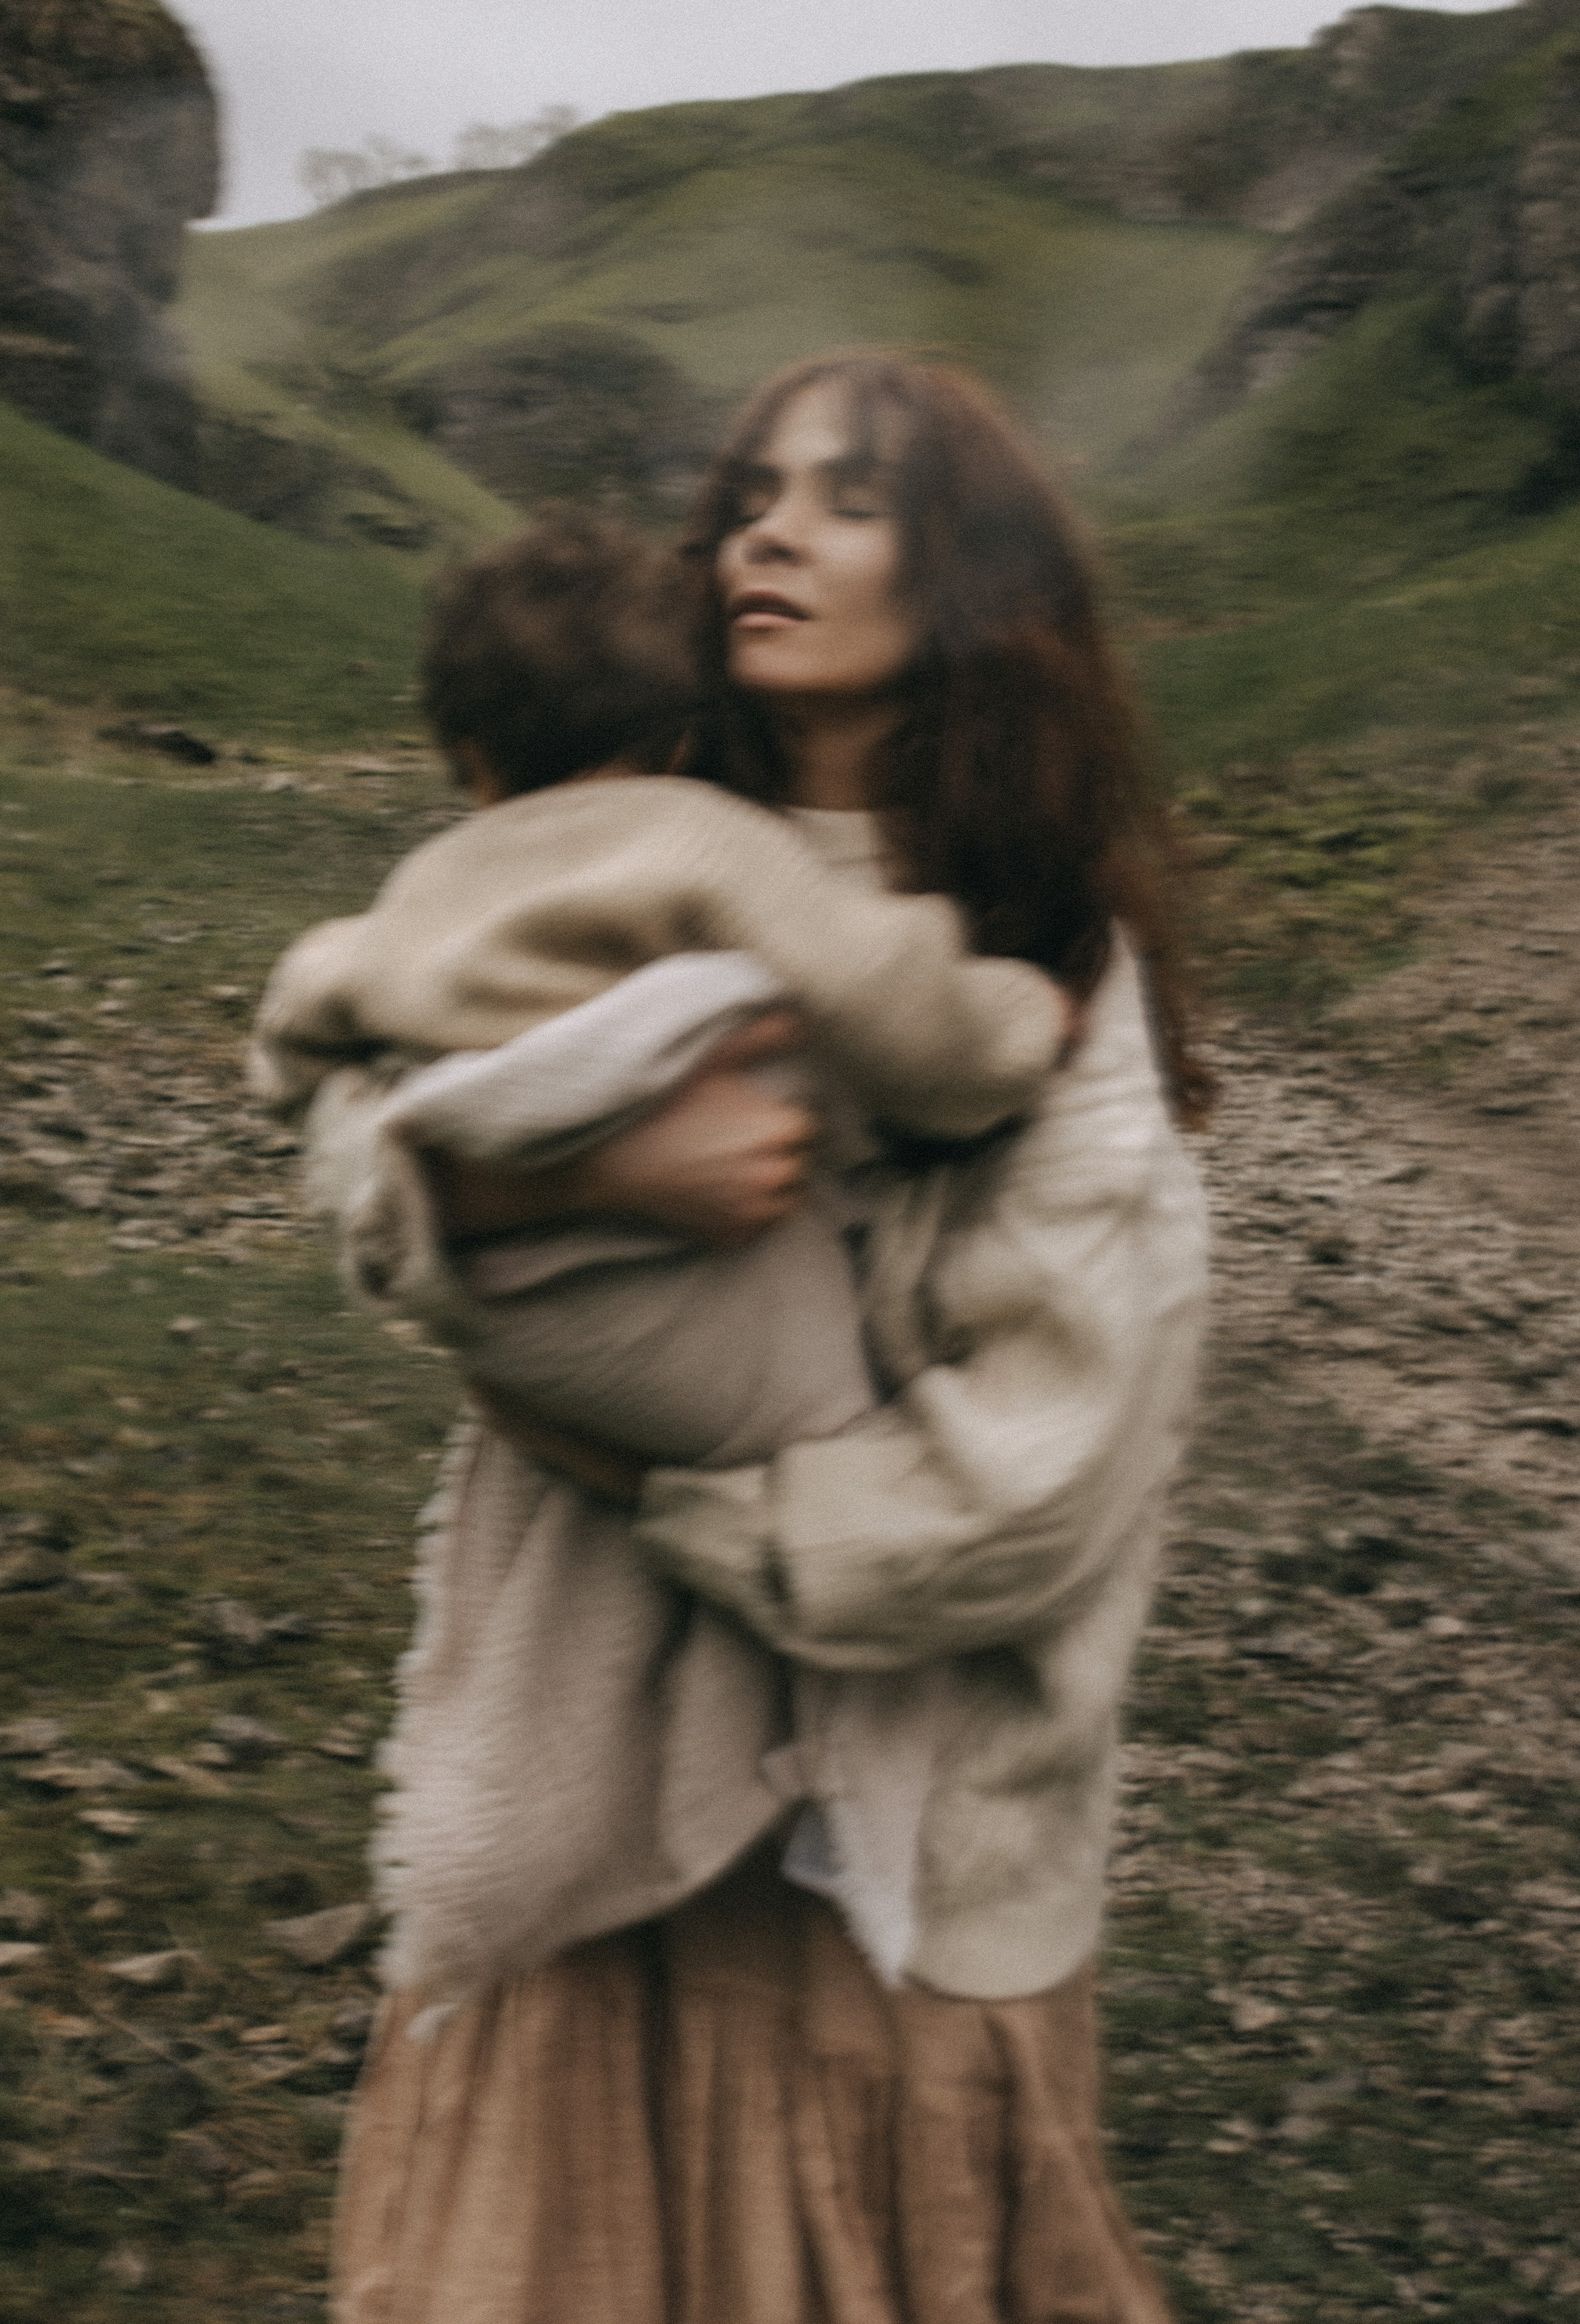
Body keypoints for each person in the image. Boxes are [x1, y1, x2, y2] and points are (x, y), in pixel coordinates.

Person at [325, 353, 1210, 2324]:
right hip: (587, 1789)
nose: (773, 534)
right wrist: (551, 1193)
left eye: (853, 498)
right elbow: (366, 1111)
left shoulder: (1047, 947)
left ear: (974, 585)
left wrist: (669, 1488)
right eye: (750, 496)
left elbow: (1041, 1480)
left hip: (893, 1850)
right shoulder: (628, 840)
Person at [251, 506, 1076, 1996]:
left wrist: (328, 1082)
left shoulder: (425, 883)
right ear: (691, 731)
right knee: (843, 1436)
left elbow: (314, 1011)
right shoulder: (704, 838)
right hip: (677, 1319)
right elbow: (895, 1005)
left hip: (503, 1311)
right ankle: (844, 1805)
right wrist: (1019, 1023)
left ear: (467, 755)